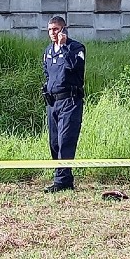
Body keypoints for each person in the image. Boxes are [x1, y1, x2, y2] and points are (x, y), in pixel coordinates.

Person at [41, 16, 86, 193]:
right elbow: (47, 72)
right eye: (50, 30)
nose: (53, 33)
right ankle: (64, 179)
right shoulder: (48, 50)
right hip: (53, 102)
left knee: (66, 140)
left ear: (64, 29)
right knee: (54, 142)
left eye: (56, 29)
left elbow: (75, 68)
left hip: (70, 101)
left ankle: (61, 181)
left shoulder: (76, 48)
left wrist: (65, 46)